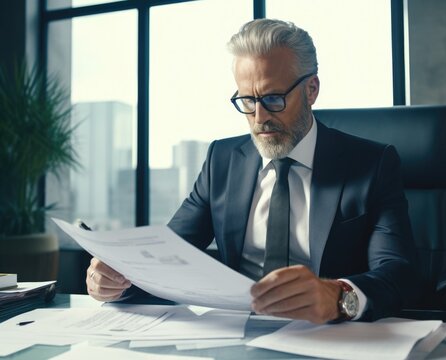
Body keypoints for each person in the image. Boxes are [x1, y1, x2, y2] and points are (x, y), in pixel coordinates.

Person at [86, 18, 420, 323]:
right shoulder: (222, 160)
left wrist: (338, 296)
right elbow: (170, 258)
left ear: (312, 90)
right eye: (247, 101)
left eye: (274, 98)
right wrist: (121, 280)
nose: (259, 118)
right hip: (235, 333)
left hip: (330, 337)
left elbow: (398, 272)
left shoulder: (371, 164)